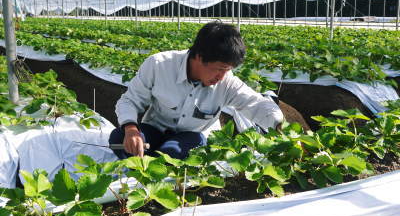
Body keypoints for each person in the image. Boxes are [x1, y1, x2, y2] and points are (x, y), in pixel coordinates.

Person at [109, 21, 283, 160]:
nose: (222, 76)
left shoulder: (227, 82)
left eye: (228, 70)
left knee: (171, 153)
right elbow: (130, 100)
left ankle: (151, 165)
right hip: (155, 129)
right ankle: (148, 162)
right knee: (119, 140)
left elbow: (255, 103)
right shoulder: (158, 65)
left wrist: (280, 125)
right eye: (220, 69)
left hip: (192, 137)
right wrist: (131, 129)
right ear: (199, 56)